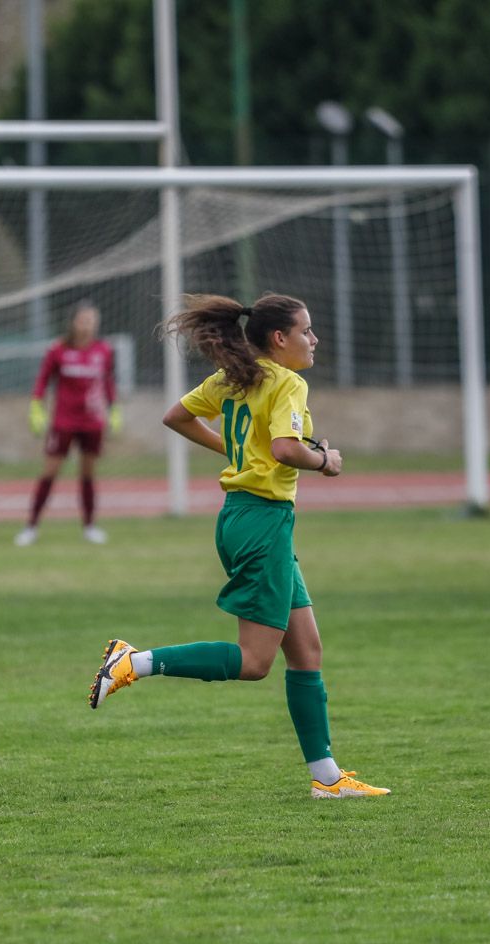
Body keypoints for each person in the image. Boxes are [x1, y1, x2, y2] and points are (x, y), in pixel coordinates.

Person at [88, 292, 390, 799]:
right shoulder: (288, 382)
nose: (313, 340)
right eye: (306, 331)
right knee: (254, 663)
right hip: (262, 523)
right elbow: (285, 449)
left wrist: (231, 448)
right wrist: (327, 461)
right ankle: (133, 661)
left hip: (245, 519)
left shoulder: (235, 379)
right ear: (280, 339)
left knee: (307, 651)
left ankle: (327, 778)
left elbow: (176, 417)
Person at [15, 301, 119, 546]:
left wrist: (114, 409)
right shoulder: (58, 350)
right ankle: (31, 526)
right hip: (64, 422)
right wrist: (36, 407)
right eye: (83, 320)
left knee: (88, 474)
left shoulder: (103, 350)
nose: (88, 325)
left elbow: (108, 383)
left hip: (92, 422)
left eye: (92, 320)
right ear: (73, 322)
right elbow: (42, 381)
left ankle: (90, 527)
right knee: (49, 472)